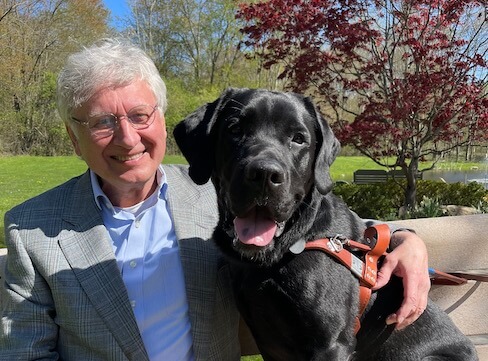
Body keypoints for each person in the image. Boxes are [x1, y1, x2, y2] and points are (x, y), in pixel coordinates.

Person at [0, 38, 430, 360]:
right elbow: (26, 353)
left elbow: (332, 225)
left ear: (162, 122)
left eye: (139, 115)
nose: (127, 138)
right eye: (102, 122)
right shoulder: (33, 230)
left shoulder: (222, 193)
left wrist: (407, 241)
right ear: (75, 139)